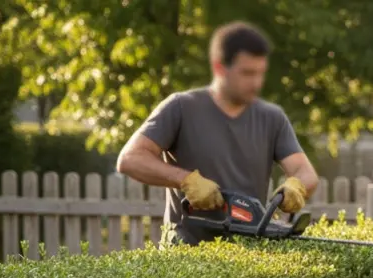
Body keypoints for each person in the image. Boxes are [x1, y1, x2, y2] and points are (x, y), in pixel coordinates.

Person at [116, 21, 320, 245]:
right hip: (187, 254)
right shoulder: (181, 107)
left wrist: (296, 186)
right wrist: (186, 181)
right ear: (220, 68)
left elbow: (305, 172)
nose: (256, 82)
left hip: (250, 251)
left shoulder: (272, 118)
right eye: (247, 73)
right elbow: (130, 159)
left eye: (260, 73)